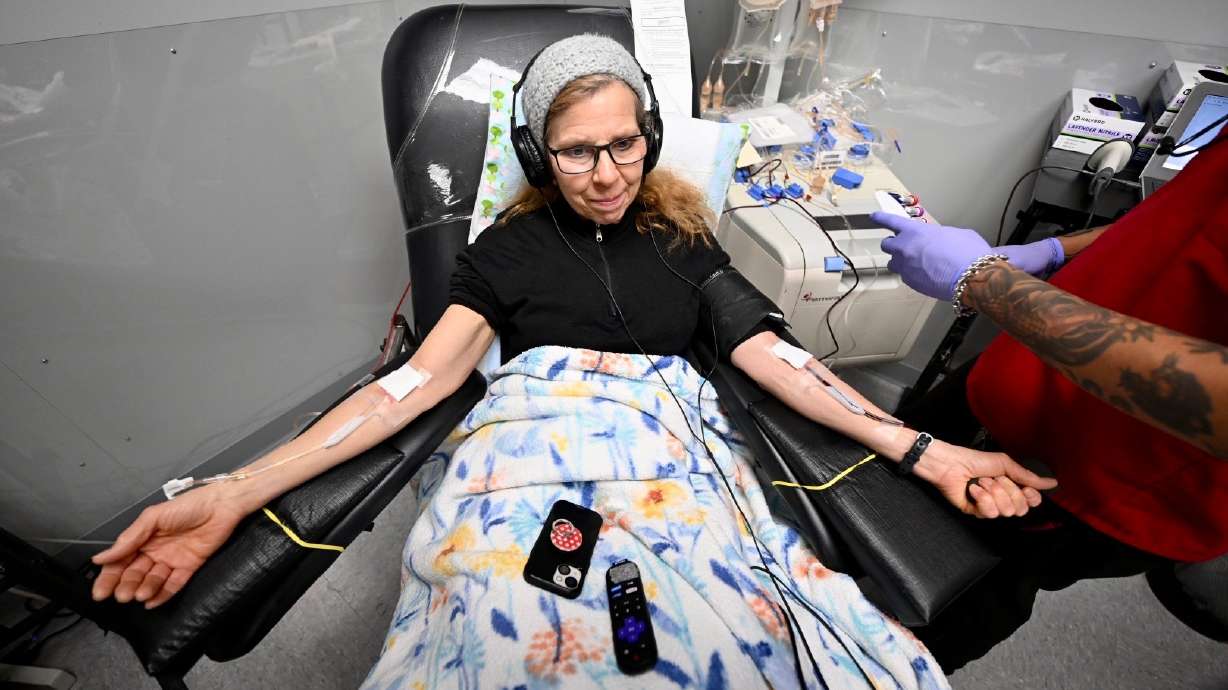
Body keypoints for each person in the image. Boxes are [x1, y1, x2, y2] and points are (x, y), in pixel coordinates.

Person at [89, 35, 1053, 688]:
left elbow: (772, 356)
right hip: (529, 465)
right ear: (538, 152)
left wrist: (929, 451)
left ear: (650, 137)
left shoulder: (685, 245)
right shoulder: (503, 255)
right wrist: (234, 490)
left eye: (625, 145)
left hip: (674, 467)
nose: (606, 173)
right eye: (577, 151)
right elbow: (417, 383)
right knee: (508, 613)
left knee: (735, 631)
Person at [871, 130, 1228, 668]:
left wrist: (986, 283)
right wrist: (1062, 251)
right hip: (1017, 378)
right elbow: (1190, 219)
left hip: (1100, 474)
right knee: (865, 492)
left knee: (937, 606)